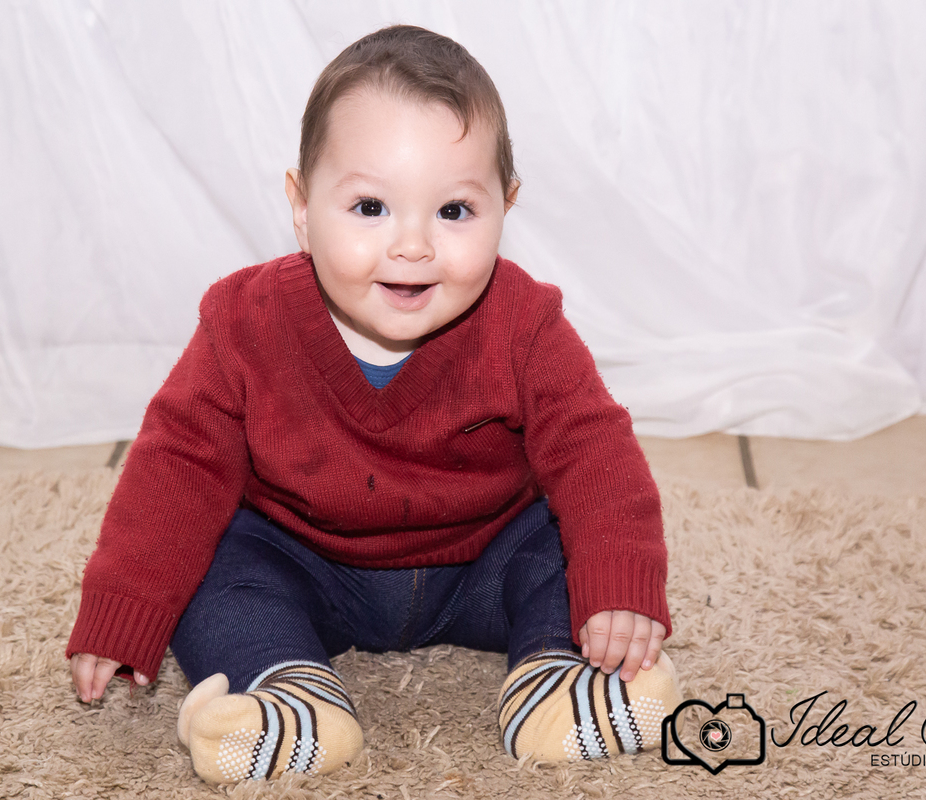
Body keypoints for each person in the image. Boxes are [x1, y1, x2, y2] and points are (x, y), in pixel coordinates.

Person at [66, 24, 681, 784]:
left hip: (481, 559)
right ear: (301, 207)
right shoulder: (244, 321)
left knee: (565, 546)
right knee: (214, 567)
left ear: (507, 206)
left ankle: (557, 678)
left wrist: (619, 583)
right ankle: (289, 694)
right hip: (307, 560)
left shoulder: (524, 324)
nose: (412, 245)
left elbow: (594, 449)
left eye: (454, 211)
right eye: (369, 207)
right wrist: (122, 606)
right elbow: (178, 465)